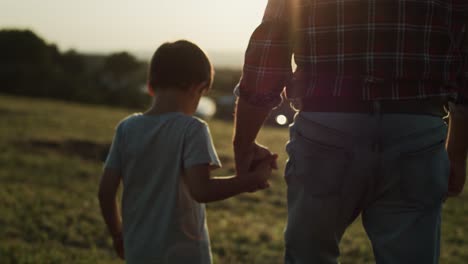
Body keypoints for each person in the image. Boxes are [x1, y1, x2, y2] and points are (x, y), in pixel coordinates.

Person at [233, 1, 468, 263]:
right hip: (417, 129)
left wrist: (244, 142)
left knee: (309, 255)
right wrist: (457, 152)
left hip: (326, 127)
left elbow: (268, 52)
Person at [98, 40, 277, 264]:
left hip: (138, 251)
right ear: (197, 88)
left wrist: (118, 234)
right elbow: (202, 190)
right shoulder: (192, 129)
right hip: (185, 254)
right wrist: (251, 180)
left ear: (151, 86)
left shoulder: (126, 128)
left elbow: (106, 192)